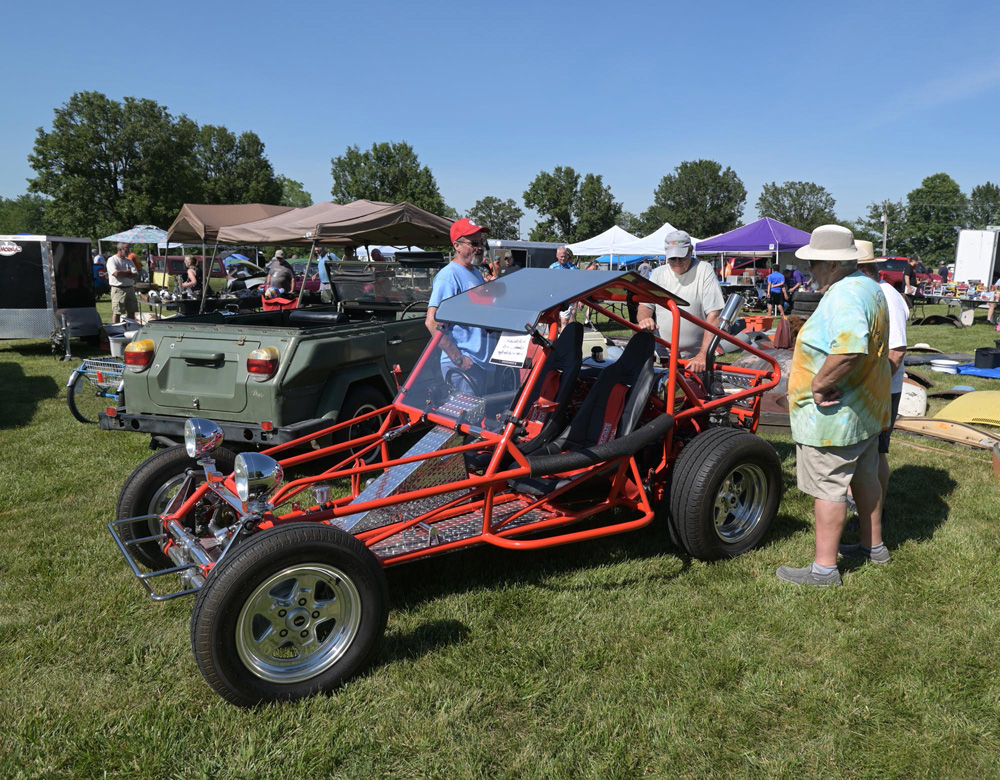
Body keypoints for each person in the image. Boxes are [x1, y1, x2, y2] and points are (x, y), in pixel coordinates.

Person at [776, 225, 891, 587]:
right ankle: (874, 548)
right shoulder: (870, 287)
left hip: (835, 416)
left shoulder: (843, 295)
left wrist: (821, 384)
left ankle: (824, 570)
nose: (810, 269)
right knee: (865, 478)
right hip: (864, 410)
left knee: (829, 488)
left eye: (813, 263)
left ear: (832, 265)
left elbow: (850, 347)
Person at [852, 240, 907, 531]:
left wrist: (876, 385)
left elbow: (897, 351)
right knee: (866, 452)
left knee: (876, 452)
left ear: (860, 268)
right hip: (869, 385)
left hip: (883, 388)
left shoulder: (887, 295)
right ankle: (863, 506)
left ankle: (876, 511)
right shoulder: (870, 292)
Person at [636, 230, 725, 374]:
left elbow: (714, 314)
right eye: (672, 258)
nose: (677, 262)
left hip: (695, 359)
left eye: (682, 257)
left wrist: (703, 354)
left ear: (691, 251)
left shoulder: (704, 270)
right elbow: (645, 306)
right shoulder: (658, 273)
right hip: (663, 355)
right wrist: (645, 319)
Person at [425, 218, 491, 394]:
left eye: (481, 242)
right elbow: (432, 322)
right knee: (462, 419)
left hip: (479, 362)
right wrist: (458, 358)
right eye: (474, 243)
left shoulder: (475, 272)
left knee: (475, 419)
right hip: (464, 365)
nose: (479, 247)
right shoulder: (449, 276)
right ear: (457, 246)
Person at [106, 242, 138, 323]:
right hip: (118, 289)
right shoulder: (112, 260)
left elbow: (135, 274)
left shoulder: (129, 261)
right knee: (117, 312)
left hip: (130, 288)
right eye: (126, 249)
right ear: (120, 249)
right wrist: (128, 272)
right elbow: (116, 273)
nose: (129, 251)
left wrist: (122, 272)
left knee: (132, 311)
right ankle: (116, 330)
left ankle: (130, 328)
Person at [549, 246, 579, 331]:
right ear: (557, 256)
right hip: (555, 297)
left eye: (565, 256)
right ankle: (554, 338)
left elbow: (578, 283)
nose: (563, 258)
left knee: (564, 320)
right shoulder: (552, 268)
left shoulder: (573, 268)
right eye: (561, 256)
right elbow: (548, 283)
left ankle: (563, 340)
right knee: (554, 320)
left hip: (568, 297)